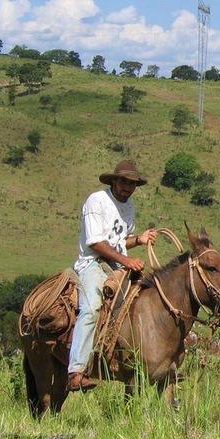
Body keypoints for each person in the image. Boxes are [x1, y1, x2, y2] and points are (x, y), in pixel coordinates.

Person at [67, 160, 157, 392]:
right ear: (114, 181)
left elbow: (120, 240)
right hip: (93, 264)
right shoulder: (97, 201)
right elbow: (96, 242)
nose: (128, 187)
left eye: (132, 183)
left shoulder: (129, 207)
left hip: (119, 267)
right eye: (124, 182)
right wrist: (127, 261)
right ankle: (76, 370)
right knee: (92, 308)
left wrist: (138, 240)